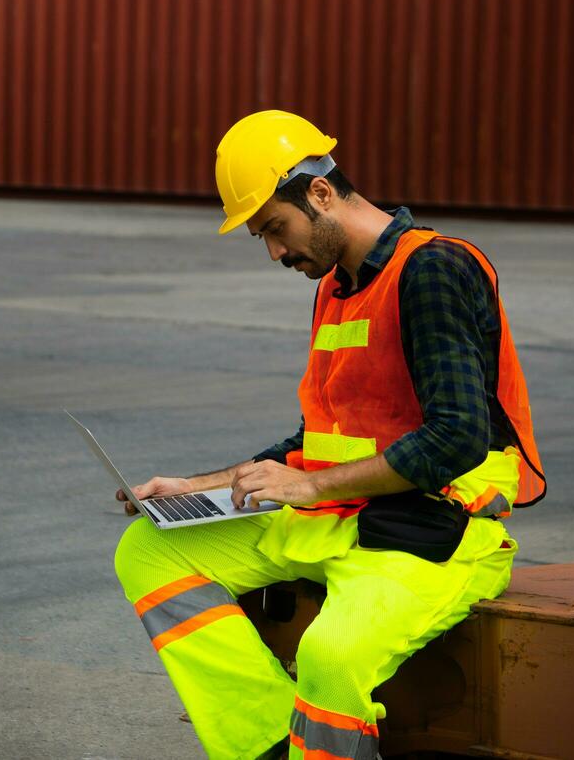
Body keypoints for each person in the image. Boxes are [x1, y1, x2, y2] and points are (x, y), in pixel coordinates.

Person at [114, 110, 546, 760]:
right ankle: (265, 743)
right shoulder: (339, 288)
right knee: (149, 550)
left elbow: (456, 438)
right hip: (341, 514)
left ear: (320, 193)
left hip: (437, 529)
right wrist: (195, 487)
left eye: (275, 230)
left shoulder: (431, 271)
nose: (276, 253)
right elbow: (315, 439)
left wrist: (309, 485)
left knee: (330, 654)